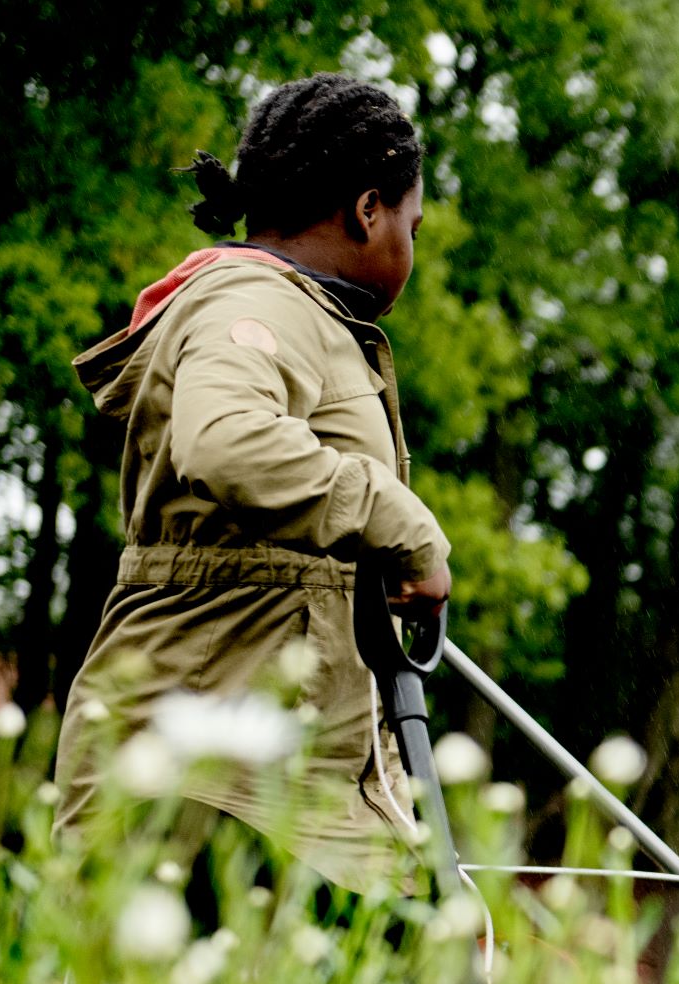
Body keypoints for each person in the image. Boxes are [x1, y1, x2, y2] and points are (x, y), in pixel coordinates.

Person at [54, 73, 451, 892]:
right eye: (412, 224)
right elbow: (226, 441)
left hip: (277, 785)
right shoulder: (258, 304)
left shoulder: (302, 313)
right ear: (367, 209)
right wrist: (402, 523)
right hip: (212, 790)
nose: (411, 247)